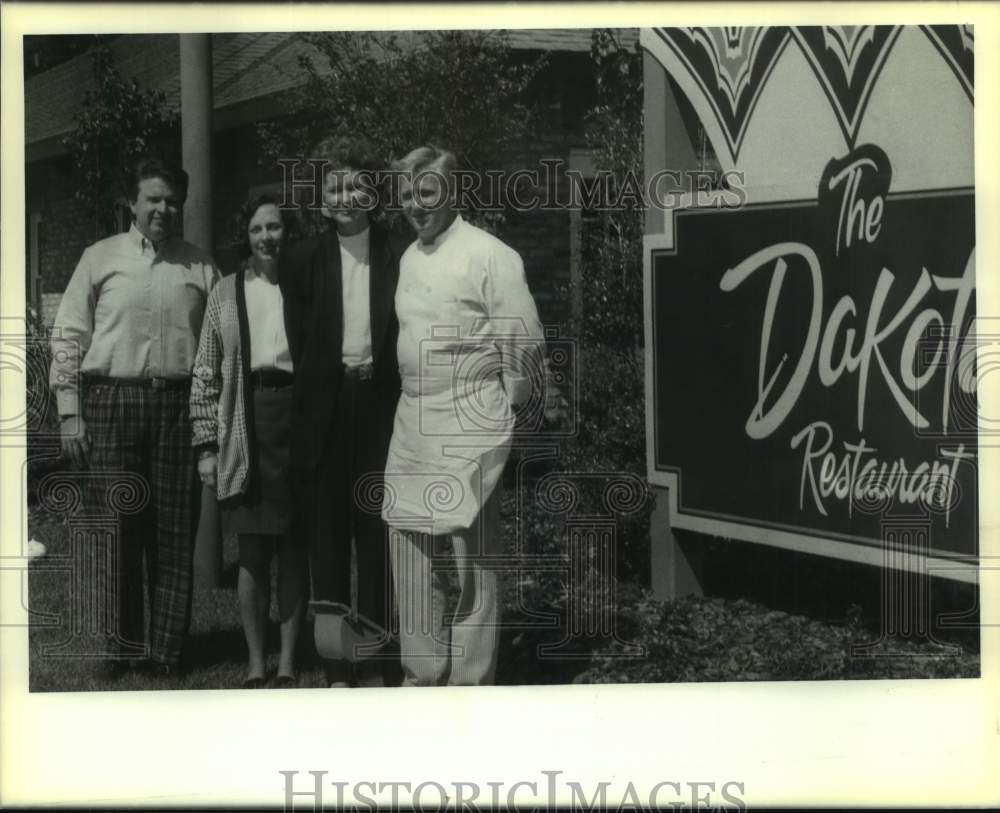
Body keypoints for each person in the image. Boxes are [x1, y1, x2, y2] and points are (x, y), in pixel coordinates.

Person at [383, 145, 547, 686]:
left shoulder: (491, 255)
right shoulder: (408, 258)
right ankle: (421, 675)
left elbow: (521, 343)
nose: (416, 204)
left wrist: (517, 408)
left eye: (426, 192)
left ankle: (470, 684)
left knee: (472, 558)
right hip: (412, 420)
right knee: (408, 545)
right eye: (407, 194)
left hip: (471, 417)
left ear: (452, 192)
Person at [50, 156, 219, 678]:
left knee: (172, 535)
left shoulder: (201, 267)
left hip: (177, 406)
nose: (163, 209)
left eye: (171, 200)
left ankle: (167, 652)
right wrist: (70, 414)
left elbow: (217, 346)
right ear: (133, 203)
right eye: (153, 199)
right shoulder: (99, 258)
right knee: (117, 531)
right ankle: (118, 649)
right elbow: (69, 338)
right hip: (113, 404)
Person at [279, 137, 404, 687]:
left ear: (373, 192)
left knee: (374, 537)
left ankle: (375, 661)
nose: (344, 195)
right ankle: (335, 663)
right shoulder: (301, 257)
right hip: (324, 410)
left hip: (379, 407)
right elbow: (300, 341)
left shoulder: (399, 251)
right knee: (326, 540)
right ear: (321, 195)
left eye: (355, 183)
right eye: (334, 185)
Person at [189, 195, 308, 689]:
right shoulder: (225, 290)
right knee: (254, 550)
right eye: (258, 228)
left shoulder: (306, 286)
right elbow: (205, 372)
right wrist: (206, 447)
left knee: (294, 548)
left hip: (297, 421)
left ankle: (287, 664)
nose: (267, 238)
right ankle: (256, 663)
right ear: (247, 235)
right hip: (245, 421)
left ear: (288, 233)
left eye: (275, 228)